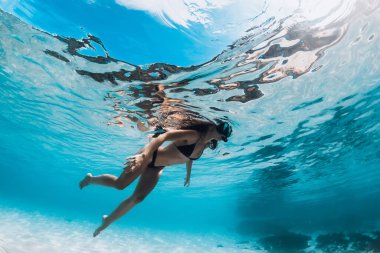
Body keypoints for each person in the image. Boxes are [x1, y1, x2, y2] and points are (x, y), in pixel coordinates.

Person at [79, 119, 232, 237]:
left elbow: (190, 158)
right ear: (212, 126)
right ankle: (91, 179)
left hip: (158, 167)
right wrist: (142, 156)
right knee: (120, 185)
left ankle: (106, 221)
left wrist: (188, 174)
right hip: (148, 157)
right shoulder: (192, 135)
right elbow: (163, 137)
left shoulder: (204, 144)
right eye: (219, 132)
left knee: (138, 198)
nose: (218, 137)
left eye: (222, 137)